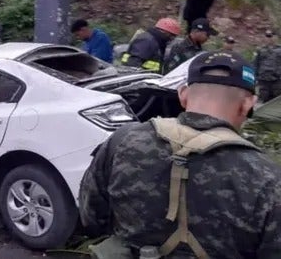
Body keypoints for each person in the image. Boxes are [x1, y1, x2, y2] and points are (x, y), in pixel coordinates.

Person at [79, 51, 281, 258]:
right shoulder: (267, 176)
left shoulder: (122, 141)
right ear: (248, 105)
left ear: (182, 94)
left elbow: (92, 219)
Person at [254, 30, 281, 103]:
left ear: (275, 37)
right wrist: (255, 78)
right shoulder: (260, 50)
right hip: (264, 80)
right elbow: (256, 64)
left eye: (270, 36)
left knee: (276, 102)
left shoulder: (279, 49)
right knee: (263, 100)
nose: (269, 38)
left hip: (276, 81)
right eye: (267, 36)